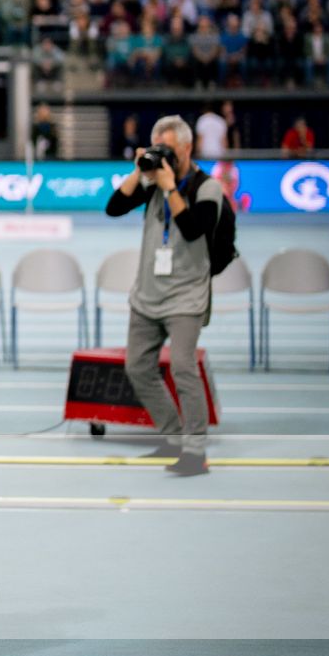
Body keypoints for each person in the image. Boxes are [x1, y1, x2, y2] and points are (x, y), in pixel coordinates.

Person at [104, 114, 225, 477]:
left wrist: (171, 187)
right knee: (138, 367)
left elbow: (191, 230)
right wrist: (141, 170)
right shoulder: (152, 181)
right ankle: (173, 437)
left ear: (188, 148)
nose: (164, 157)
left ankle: (195, 450)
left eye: (169, 150)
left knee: (184, 368)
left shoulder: (208, 187)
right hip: (147, 295)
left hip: (186, 297)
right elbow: (113, 208)